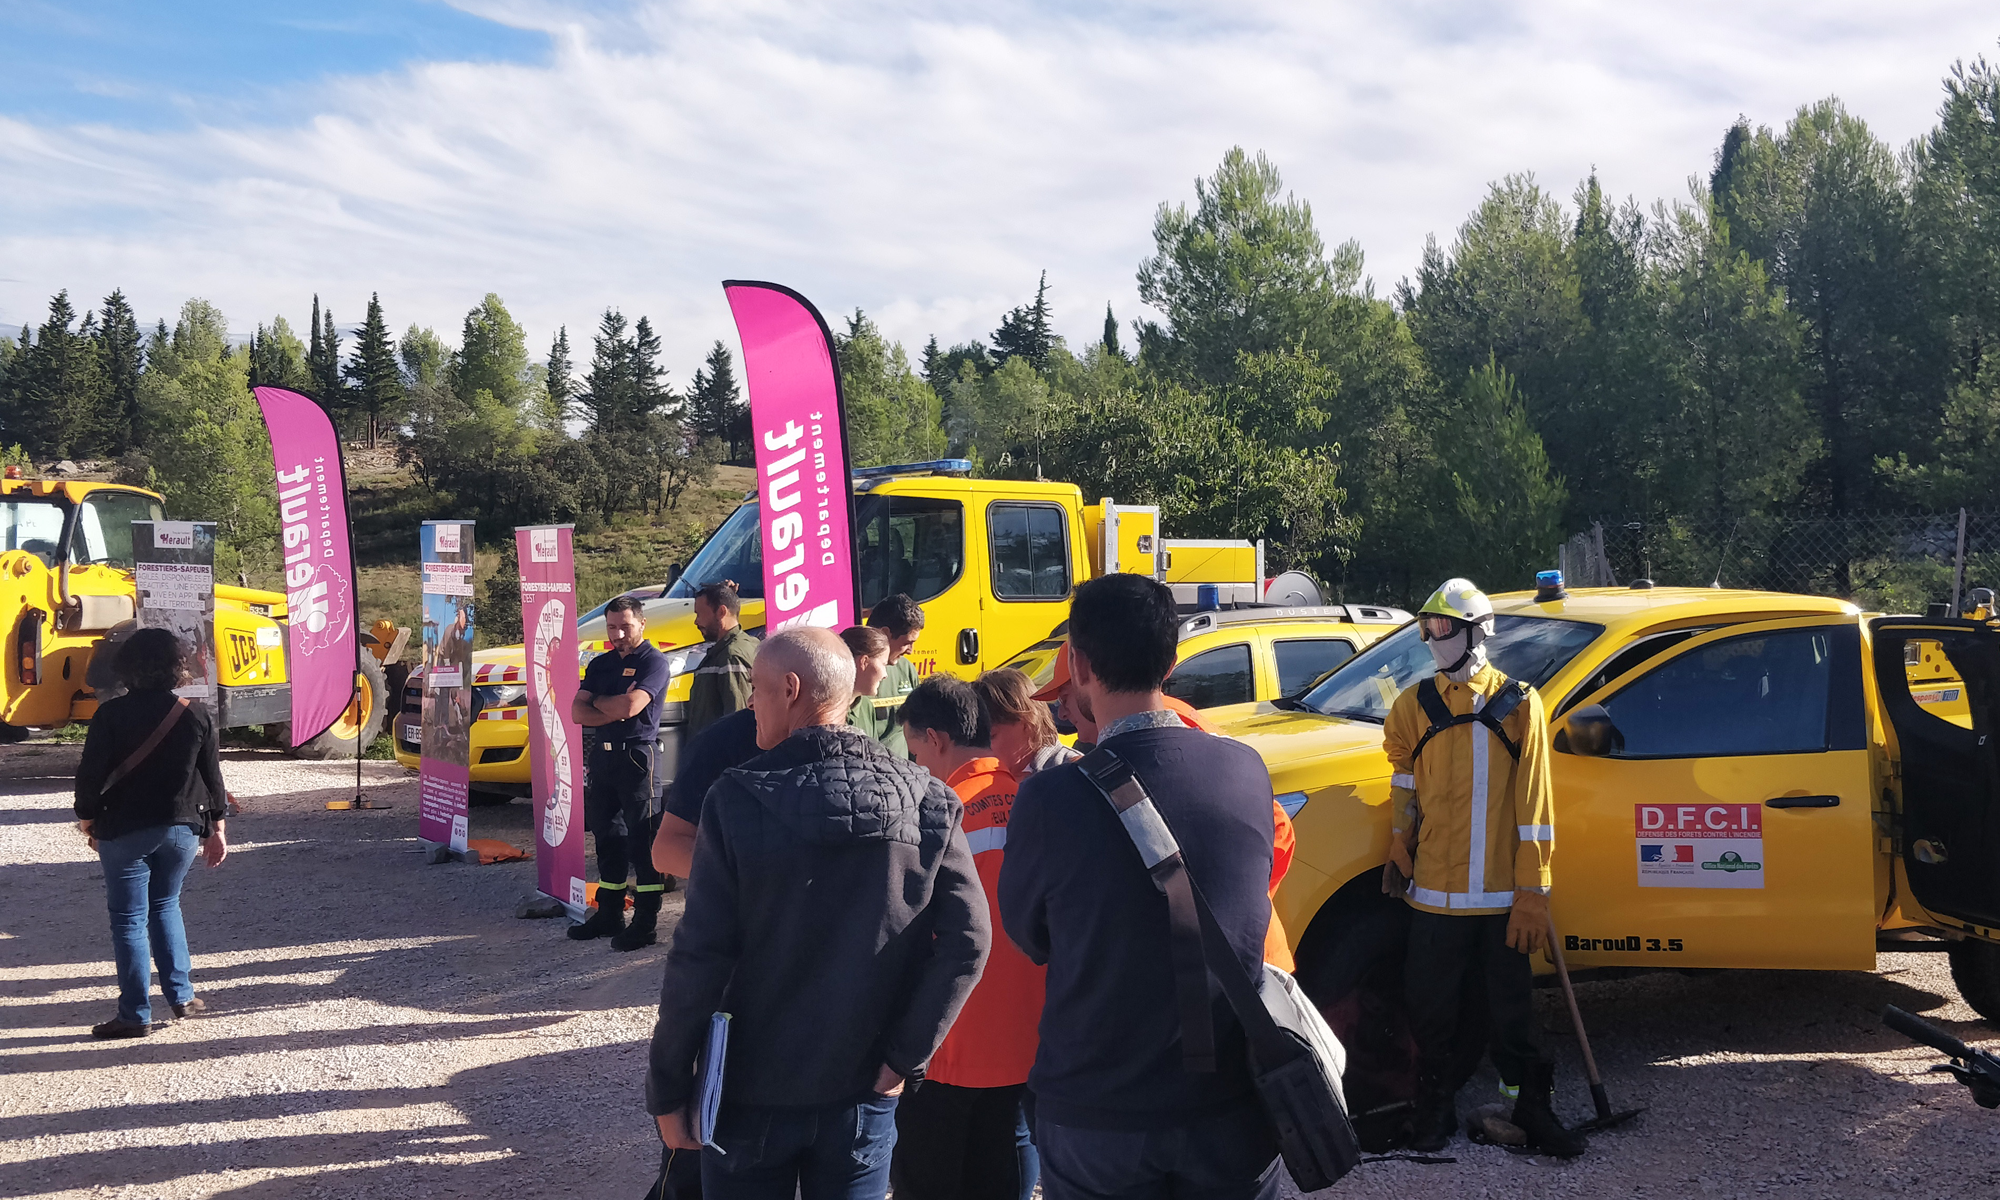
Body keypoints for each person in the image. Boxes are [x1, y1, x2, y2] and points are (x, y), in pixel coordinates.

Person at [648, 627, 990, 1200]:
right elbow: (969, 941)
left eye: (755, 689)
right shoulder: (929, 798)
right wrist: (904, 1057)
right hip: (863, 1085)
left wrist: (668, 1086)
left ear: (790, 688)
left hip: (748, 1091)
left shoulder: (735, 801)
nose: (749, 702)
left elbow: (699, 956)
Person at [999, 574, 1281, 1200]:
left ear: (1078, 666)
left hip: (1096, 1107)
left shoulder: (1049, 797)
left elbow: (1029, 935)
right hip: (1229, 1103)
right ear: (1174, 660)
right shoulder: (1245, 770)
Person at [1383, 578, 1584, 1157]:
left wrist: (1533, 892)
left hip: (1500, 900)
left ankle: (1530, 1107)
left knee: (1511, 1014)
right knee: (1429, 1010)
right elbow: (1404, 781)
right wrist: (1400, 839)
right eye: (1427, 628)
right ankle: (1434, 1108)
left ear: (1475, 630)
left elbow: (1537, 810)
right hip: (1435, 899)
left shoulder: (1520, 704)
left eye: (1442, 627)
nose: (1432, 638)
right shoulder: (1411, 706)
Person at [893, 676, 1043, 1200]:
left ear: (935, 739)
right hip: (1030, 1042)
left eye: (914, 752)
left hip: (949, 1047)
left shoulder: (934, 816)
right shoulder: (1037, 803)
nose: (916, 766)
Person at [73, 628, 229, 1038]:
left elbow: (89, 778)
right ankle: (182, 997)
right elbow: (212, 778)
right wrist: (218, 828)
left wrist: (87, 820)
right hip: (181, 829)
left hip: (124, 828)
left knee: (128, 921)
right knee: (166, 906)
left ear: (126, 668)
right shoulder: (194, 713)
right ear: (177, 667)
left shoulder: (109, 715)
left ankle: (134, 1014)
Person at [569, 596, 672, 951]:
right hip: (604, 758)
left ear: (641, 624)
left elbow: (632, 706)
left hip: (638, 759)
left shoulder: (653, 662)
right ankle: (609, 913)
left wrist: (603, 703)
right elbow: (577, 713)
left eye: (625, 626)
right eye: (612, 626)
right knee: (607, 837)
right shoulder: (601, 664)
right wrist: (608, 706)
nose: (618, 634)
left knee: (642, 842)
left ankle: (645, 922)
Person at [974, 668, 1077, 779]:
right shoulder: (989, 777)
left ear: (1027, 721)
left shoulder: (1071, 771)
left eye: (991, 737)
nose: (982, 749)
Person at [686, 583, 756, 738]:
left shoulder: (731, 656)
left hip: (721, 757)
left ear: (721, 612)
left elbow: (739, 720)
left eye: (699, 614)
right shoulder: (739, 648)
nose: (696, 622)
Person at [840, 625, 908, 758]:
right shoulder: (825, 708)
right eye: (883, 664)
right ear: (864, 662)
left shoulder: (867, 706)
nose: (885, 675)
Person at [866, 591, 926, 713]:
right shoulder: (850, 672)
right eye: (907, 643)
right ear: (885, 634)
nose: (910, 651)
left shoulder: (907, 669)